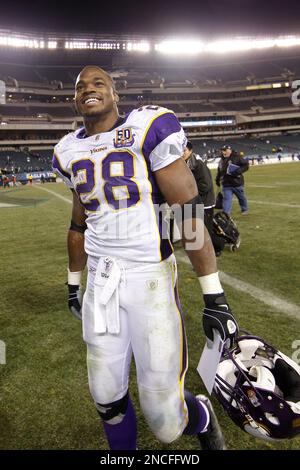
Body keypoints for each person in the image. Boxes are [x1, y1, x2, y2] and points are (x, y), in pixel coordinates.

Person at [52, 66, 239, 451]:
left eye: (98, 83)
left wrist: (214, 295)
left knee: (164, 418)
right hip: (101, 284)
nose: (89, 89)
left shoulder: (147, 125)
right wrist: (74, 285)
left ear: (115, 93)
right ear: (75, 99)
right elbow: (77, 223)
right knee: (105, 396)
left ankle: (200, 417)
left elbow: (188, 210)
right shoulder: (67, 149)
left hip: (148, 278)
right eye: (80, 87)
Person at [182, 141, 224, 256]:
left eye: (184, 150)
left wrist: (192, 197)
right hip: (195, 201)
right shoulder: (185, 163)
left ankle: (217, 247)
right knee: (197, 230)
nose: (182, 153)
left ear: (190, 150)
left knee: (206, 230)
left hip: (204, 202)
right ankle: (202, 252)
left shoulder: (198, 164)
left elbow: (205, 185)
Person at [216, 145, 249, 215]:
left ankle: (244, 209)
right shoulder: (221, 161)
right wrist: (217, 179)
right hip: (226, 183)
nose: (223, 152)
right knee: (227, 199)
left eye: (225, 150)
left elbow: (246, 165)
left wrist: (238, 171)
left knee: (241, 197)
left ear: (229, 150)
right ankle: (226, 214)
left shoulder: (237, 157)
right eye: (222, 150)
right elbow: (219, 171)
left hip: (237, 182)